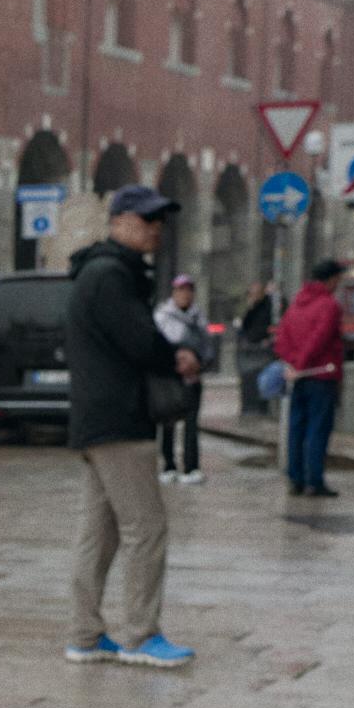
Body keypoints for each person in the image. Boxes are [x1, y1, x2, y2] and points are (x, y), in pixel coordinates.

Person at [63, 184, 197, 669]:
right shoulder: (111, 276)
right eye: (145, 220)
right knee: (147, 527)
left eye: (159, 221)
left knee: (99, 532)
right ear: (117, 221)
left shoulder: (98, 273)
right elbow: (140, 342)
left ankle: (85, 634)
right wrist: (176, 356)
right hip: (120, 418)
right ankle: (141, 635)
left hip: (97, 418)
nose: (155, 229)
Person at [273, 260, 346, 497]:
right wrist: (303, 363)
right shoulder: (329, 305)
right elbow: (320, 338)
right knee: (318, 428)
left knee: (297, 427)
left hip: (298, 377)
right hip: (322, 374)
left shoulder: (296, 304)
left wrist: (294, 363)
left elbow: (281, 338)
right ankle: (314, 480)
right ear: (332, 279)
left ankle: (296, 478)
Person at [152, 271, 204, 483]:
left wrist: (199, 363)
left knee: (192, 423)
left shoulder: (198, 317)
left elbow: (207, 346)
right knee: (168, 422)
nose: (185, 294)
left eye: (189, 290)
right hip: (170, 378)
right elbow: (156, 347)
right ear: (174, 292)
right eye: (181, 290)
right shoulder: (162, 317)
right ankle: (169, 464)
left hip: (193, 377)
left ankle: (191, 467)